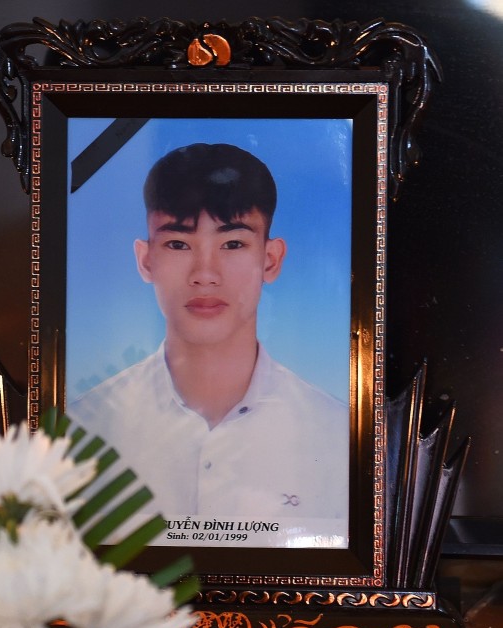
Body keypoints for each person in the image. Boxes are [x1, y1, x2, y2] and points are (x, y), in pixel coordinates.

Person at [68, 143, 348, 522]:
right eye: (178, 243)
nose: (205, 273)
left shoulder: (339, 437)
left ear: (271, 258)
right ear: (145, 259)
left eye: (233, 243)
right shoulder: (81, 430)